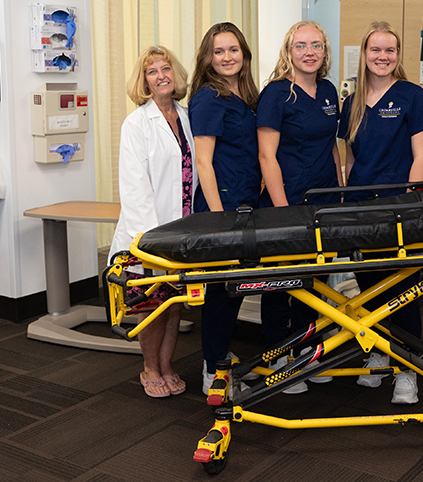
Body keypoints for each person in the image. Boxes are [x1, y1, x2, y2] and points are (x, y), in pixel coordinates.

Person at [336, 21, 423, 404]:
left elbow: (422, 155)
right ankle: (379, 351)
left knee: (402, 290)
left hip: (398, 205)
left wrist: (410, 202)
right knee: (369, 286)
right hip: (362, 205)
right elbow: (348, 153)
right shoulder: (353, 100)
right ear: (364, 55)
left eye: (390, 50)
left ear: (398, 55)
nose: (382, 56)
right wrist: (345, 193)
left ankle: (407, 369)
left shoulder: (412, 96)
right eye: (375, 50)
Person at [256, 20, 341, 394]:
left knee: (314, 283)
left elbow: (333, 146)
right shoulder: (276, 94)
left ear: (325, 52)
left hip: (321, 203)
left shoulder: (328, 91)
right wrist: (282, 208)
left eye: (316, 46)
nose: (309, 52)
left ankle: (306, 353)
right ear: (288, 51)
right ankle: (276, 357)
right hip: (285, 201)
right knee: (280, 284)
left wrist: (338, 190)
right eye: (301, 45)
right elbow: (266, 155)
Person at [109, 46, 195, 398]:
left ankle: (167, 364)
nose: (161, 76)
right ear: (143, 80)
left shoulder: (187, 116)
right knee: (152, 303)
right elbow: (134, 187)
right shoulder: (137, 123)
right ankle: (150, 368)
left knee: (173, 303)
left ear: (176, 75)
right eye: (152, 71)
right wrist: (150, 240)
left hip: (184, 226)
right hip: (151, 232)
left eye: (166, 69)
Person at [188, 23, 261, 395]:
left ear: (244, 55)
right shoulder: (207, 98)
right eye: (219, 52)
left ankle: (220, 357)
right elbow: (204, 164)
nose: (228, 57)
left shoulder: (245, 96)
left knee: (235, 290)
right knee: (221, 291)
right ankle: (211, 370)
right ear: (208, 58)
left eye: (234, 50)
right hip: (223, 207)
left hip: (246, 202)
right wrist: (219, 218)